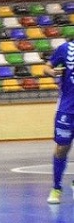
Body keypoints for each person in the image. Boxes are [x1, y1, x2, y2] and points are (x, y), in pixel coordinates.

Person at [45, 39, 74, 204]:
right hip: (67, 108)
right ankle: (56, 187)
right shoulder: (66, 49)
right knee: (62, 147)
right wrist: (53, 72)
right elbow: (46, 67)